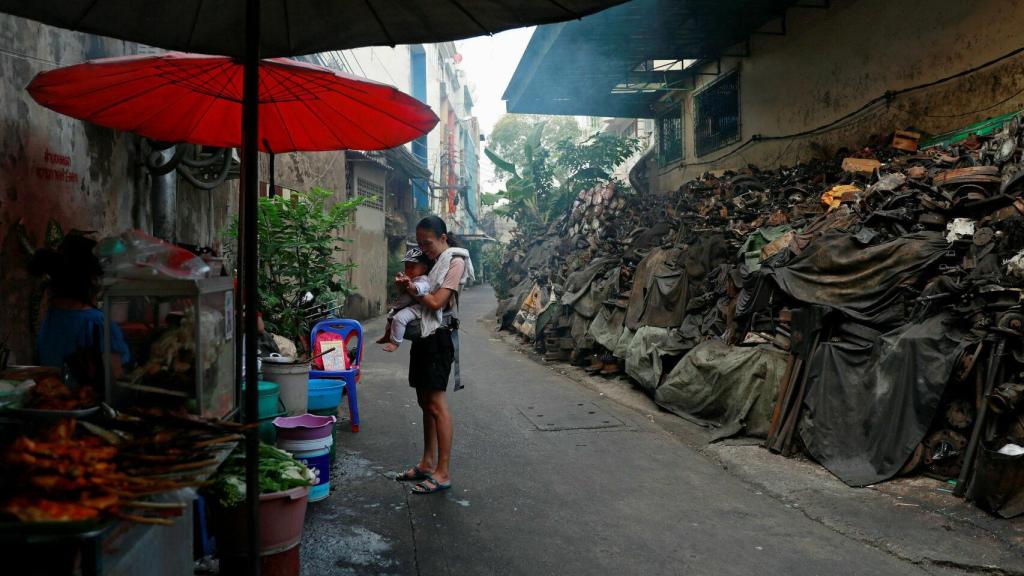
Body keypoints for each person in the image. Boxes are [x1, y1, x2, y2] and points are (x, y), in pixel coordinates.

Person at [394, 216, 474, 495]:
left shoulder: (455, 262)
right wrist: (409, 287)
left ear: (442, 237)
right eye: (419, 244)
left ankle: (443, 471)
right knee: (424, 400)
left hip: (439, 338)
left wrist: (410, 290)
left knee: (437, 404)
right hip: (425, 337)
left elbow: (438, 301)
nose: (423, 249)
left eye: (427, 243)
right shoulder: (434, 262)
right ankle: (427, 462)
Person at [29, 235, 130, 383]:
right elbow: (116, 381)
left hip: (54, 399)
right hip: (89, 403)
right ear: (92, 279)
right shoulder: (99, 324)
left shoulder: (51, 317)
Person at [377, 248, 433, 352]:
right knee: (391, 316)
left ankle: (395, 343)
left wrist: (409, 284)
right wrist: (400, 280)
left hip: (417, 307)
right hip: (407, 305)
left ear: (424, 269)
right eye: (407, 267)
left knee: (399, 318)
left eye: (413, 267)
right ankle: (387, 335)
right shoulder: (409, 277)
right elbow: (402, 291)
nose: (409, 270)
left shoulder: (423, 279)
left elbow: (419, 288)